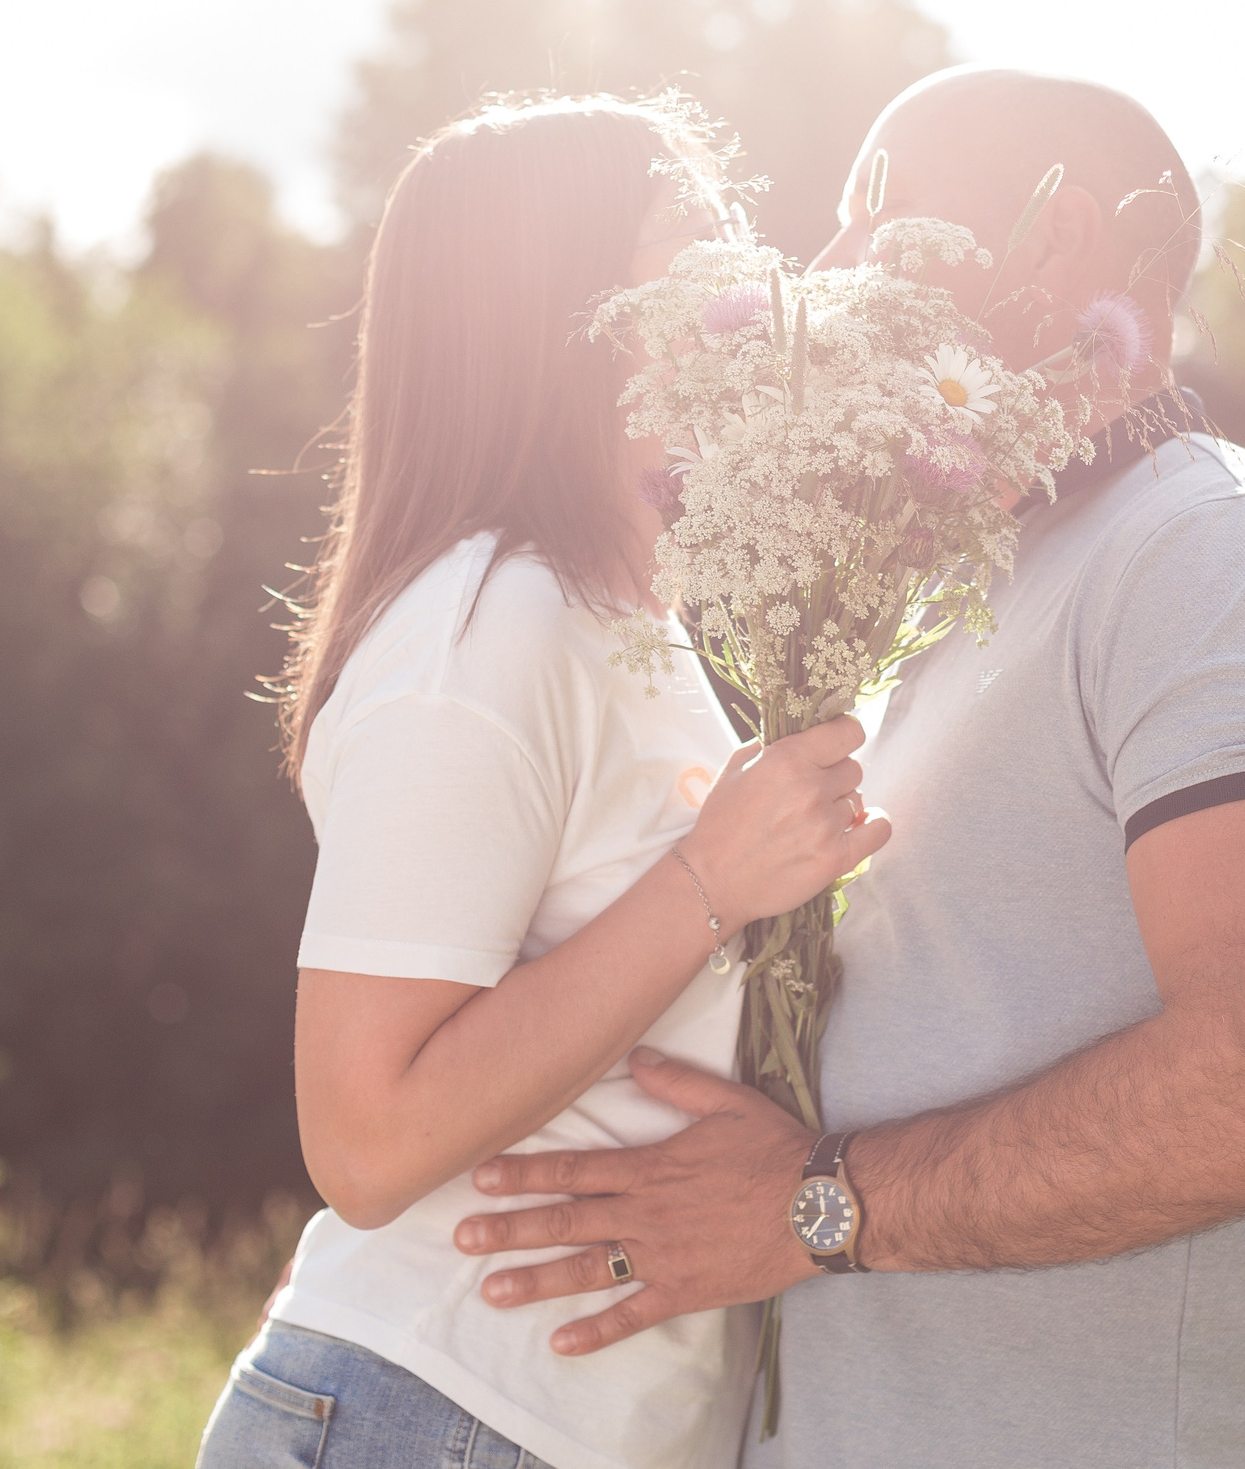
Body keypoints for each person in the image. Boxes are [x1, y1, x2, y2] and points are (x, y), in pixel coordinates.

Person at [453, 68, 1245, 1467]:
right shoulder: (949, 598)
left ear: (1050, 236)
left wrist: (807, 1209)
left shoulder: (1225, 555)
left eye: (877, 212)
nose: (831, 272)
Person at [193, 95, 890, 1469]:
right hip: (441, 1408)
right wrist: (709, 880)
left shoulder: (635, 621)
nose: (746, 282)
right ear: (568, 309)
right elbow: (365, 1135)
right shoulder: (487, 627)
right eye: (688, 245)